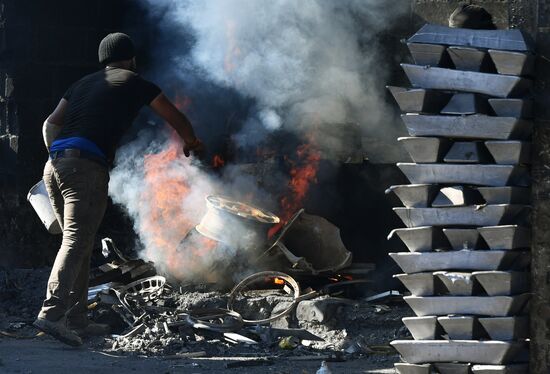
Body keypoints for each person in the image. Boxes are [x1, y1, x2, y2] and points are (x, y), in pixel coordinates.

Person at [33, 32, 204, 346]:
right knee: (75, 240)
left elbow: (49, 124)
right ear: (132, 59)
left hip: (54, 165)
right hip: (85, 168)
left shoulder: (81, 83)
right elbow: (174, 115)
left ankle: (78, 319)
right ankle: (52, 313)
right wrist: (192, 141)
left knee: (81, 240)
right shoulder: (136, 82)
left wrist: (56, 157)